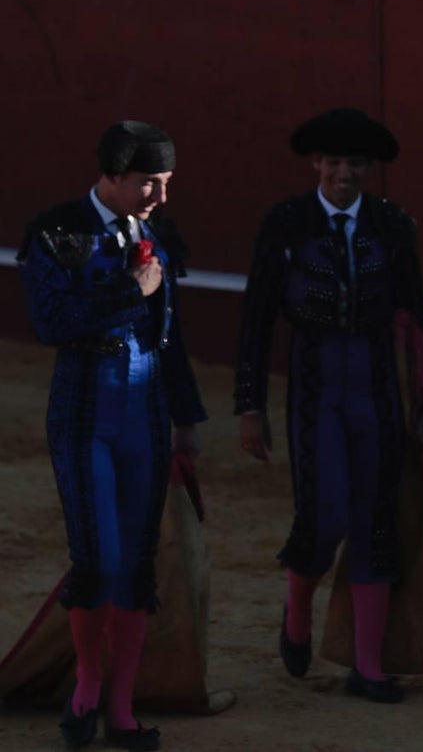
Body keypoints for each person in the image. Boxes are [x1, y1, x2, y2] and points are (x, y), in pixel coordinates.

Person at [233, 108, 423, 703]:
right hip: (314, 385)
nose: (344, 172)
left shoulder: (392, 225)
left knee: (375, 518)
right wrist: (251, 406)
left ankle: (369, 667)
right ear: (316, 164)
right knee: (324, 515)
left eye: (356, 163)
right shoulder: (287, 223)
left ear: (369, 169)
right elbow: (256, 319)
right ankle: (296, 613)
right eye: (334, 161)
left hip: (376, 385)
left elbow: (417, 316)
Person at [18, 120, 207, 751]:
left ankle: (121, 711)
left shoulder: (158, 234)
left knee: (135, 565)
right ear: (113, 175)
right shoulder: (56, 231)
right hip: (83, 410)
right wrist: (131, 289)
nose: (159, 195)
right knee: (96, 559)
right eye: (148, 182)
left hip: (146, 412)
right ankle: (86, 690)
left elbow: (170, 336)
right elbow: (51, 322)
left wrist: (186, 421)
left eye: (166, 183)